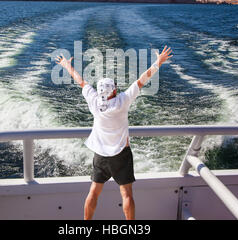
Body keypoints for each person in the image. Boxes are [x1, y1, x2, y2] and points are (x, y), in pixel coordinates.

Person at [55, 46, 173, 220]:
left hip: (101, 155)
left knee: (93, 193)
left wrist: (66, 66)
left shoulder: (94, 101)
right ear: (114, 90)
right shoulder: (123, 101)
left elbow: (80, 81)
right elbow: (142, 79)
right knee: (127, 195)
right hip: (121, 155)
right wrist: (158, 62)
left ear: (101, 91)